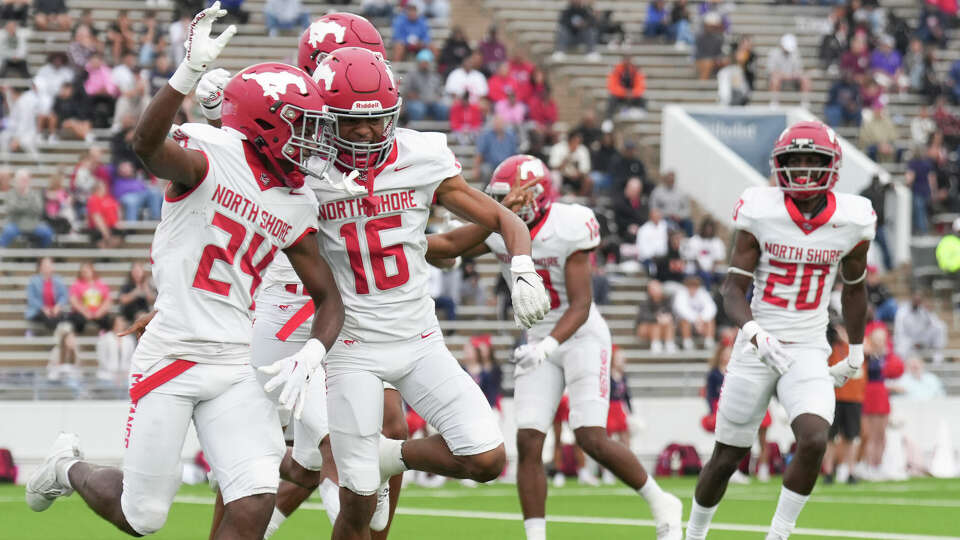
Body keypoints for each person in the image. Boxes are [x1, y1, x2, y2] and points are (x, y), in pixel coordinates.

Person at [25, 7, 345, 540]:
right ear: (266, 123)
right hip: (174, 353)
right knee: (142, 516)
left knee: (254, 502)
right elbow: (145, 146)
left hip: (237, 364)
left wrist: (312, 354)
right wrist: (185, 76)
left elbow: (327, 296)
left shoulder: (296, 202)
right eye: (302, 130)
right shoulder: (209, 156)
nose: (311, 145)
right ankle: (65, 466)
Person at [300, 48, 551, 540]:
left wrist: (523, 266)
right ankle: (367, 470)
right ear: (327, 120)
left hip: (419, 340)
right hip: (352, 350)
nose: (369, 134)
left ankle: (387, 457)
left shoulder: (421, 156)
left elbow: (502, 218)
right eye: (353, 124)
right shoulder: (306, 172)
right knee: (355, 510)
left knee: (486, 457)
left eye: (378, 123)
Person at [193, 17, 410, 538]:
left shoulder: (380, 132)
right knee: (283, 445)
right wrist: (212, 111)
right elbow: (234, 167)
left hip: (350, 303)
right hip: (287, 297)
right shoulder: (295, 123)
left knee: (330, 450)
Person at [426, 154, 682, 540]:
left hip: (579, 335)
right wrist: (453, 248)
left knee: (589, 435)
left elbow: (581, 305)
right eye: (497, 197)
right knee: (528, 438)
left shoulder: (568, 226)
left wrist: (547, 346)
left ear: (534, 197)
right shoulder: (498, 228)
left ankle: (661, 501)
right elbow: (446, 248)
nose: (501, 204)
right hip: (537, 339)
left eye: (507, 196)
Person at [685, 121, 875, 540]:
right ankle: (694, 535)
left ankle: (778, 535)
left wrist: (857, 350)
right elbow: (733, 288)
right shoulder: (760, 209)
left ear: (832, 167)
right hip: (757, 343)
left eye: (813, 160)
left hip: (808, 345)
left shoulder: (854, 219)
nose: (804, 169)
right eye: (795, 160)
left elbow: (856, 289)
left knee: (813, 439)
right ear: (779, 165)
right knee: (726, 456)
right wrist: (754, 332)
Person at [703, 342, 771, 483]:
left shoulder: (741, 370)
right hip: (727, 407)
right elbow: (710, 394)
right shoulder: (714, 373)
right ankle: (732, 470)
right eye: (725, 354)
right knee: (730, 440)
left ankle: (763, 468)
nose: (727, 357)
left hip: (748, 404)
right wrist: (711, 411)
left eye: (729, 354)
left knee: (761, 439)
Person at [858, 327, 903, 481]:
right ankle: (869, 465)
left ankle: (878, 465)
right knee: (870, 435)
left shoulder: (886, 355)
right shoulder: (866, 354)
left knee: (881, 435)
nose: (881, 341)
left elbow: (895, 370)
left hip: (882, 393)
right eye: (878, 338)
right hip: (869, 392)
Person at [823, 324, 863, 485]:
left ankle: (850, 471)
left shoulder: (857, 344)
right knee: (830, 437)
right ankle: (828, 471)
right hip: (835, 396)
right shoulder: (831, 346)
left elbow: (866, 352)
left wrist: (847, 338)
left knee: (851, 437)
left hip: (853, 397)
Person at [0, 169, 55, 248]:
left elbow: (38, 209)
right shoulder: (11, 193)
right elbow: (11, 208)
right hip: (15, 224)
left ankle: (41, 256)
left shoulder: (35, 194)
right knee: (7, 232)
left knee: (48, 232)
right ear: (16, 180)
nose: (24, 182)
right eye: (22, 179)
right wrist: (29, 205)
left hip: (33, 225)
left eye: (26, 179)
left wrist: (20, 206)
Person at [893, 290, 947, 363]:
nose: (917, 301)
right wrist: (912, 343)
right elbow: (899, 331)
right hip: (908, 340)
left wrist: (928, 312)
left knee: (941, 326)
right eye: (915, 299)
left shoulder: (924, 309)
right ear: (911, 298)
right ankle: (901, 366)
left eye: (919, 299)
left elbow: (935, 324)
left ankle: (937, 359)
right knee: (901, 346)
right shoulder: (902, 311)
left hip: (923, 339)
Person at [25, 257, 70, 333]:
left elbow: (64, 295)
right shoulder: (33, 280)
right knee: (50, 319)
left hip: (55, 310)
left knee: (66, 318)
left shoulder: (58, 279)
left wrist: (58, 306)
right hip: (38, 311)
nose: (49, 267)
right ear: (40, 268)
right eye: (46, 265)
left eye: (50, 265)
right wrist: (43, 308)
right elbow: (31, 298)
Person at [672, 275, 717, 350]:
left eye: (695, 286)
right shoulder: (681, 293)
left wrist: (701, 319)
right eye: (690, 286)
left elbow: (711, 307)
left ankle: (709, 341)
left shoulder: (702, 292)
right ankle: (687, 342)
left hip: (700, 323)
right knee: (684, 321)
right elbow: (681, 310)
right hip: (683, 324)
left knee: (710, 320)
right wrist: (696, 319)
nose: (693, 288)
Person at [67, 261, 113, 333]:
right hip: (82, 314)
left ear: (92, 271)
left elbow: (108, 301)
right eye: (82, 272)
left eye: (86, 271)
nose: (84, 274)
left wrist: (99, 312)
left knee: (108, 320)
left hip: (98, 313)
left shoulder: (101, 284)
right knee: (77, 320)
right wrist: (85, 312)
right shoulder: (76, 284)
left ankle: (104, 336)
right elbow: (73, 301)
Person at [404, 48, 448, 122]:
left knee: (442, 108)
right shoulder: (412, 75)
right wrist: (421, 98)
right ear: (418, 63)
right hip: (417, 102)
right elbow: (407, 92)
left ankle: (440, 131)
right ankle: (416, 130)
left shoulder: (435, 76)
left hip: (433, 103)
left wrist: (436, 98)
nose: (425, 65)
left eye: (427, 62)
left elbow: (440, 93)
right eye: (423, 62)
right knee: (417, 108)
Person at [767, 34, 811, 108]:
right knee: (775, 79)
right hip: (779, 79)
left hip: (792, 79)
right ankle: (774, 102)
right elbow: (771, 70)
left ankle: (805, 102)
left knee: (805, 78)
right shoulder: (774, 53)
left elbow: (799, 70)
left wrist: (792, 75)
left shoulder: (795, 53)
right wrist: (784, 75)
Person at [635, 279, 676, 353]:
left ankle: (669, 343)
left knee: (668, 323)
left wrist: (666, 318)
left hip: (663, 328)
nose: (655, 290)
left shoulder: (667, 301)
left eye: (657, 288)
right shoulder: (645, 303)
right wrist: (657, 318)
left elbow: (672, 314)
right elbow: (642, 317)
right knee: (655, 323)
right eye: (653, 288)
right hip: (646, 330)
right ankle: (656, 343)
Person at [96, 314, 136, 388]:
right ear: (113, 324)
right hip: (108, 376)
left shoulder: (129, 339)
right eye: (119, 322)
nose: (122, 324)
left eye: (122, 322)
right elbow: (102, 358)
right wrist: (114, 374)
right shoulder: (105, 338)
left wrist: (124, 373)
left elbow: (132, 358)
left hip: (125, 375)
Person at [548, 131, 591, 196]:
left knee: (588, 180)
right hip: (562, 175)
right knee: (554, 175)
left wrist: (578, 174)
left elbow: (585, 168)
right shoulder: (558, 148)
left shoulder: (583, 149)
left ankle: (580, 198)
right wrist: (565, 161)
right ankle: (556, 196)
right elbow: (553, 166)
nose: (576, 144)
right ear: (569, 140)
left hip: (577, 176)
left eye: (578, 142)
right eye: (574, 141)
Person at [649, 171, 692, 235]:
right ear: (665, 179)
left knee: (689, 223)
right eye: (668, 179)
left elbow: (687, 209)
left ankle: (689, 242)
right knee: (670, 225)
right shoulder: (657, 192)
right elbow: (653, 207)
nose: (670, 181)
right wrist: (661, 215)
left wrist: (680, 216)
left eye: (672, 180)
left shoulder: (681, 193)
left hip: (679, 218)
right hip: (663, 218)